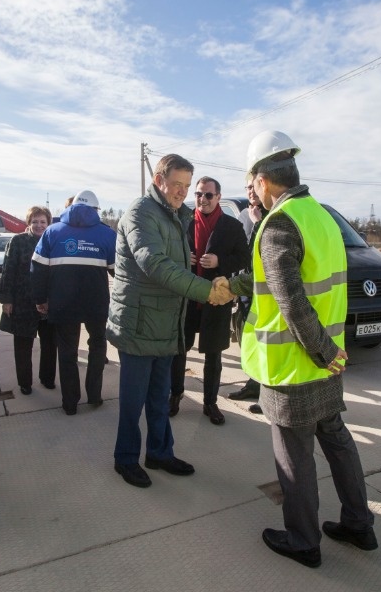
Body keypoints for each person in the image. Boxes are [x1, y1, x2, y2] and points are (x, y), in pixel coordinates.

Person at [225, 130, 376, 567]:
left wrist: (322, 352)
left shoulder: (278, 226)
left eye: (252, 183)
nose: (251, 192)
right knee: (337, 439)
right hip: (326, 362)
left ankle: (303, 541)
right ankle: (359, 524)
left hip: (295, 364)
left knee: (295, 458)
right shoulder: (321, 216)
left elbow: (292, 303)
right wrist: (330, 354)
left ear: (265, 181)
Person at [106, 154, 234, 488]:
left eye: (186, 186)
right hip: (138, 322)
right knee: (133, 401)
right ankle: (126, 458)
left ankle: (160, 453)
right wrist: (205, 291)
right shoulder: (140, 213)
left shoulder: (177, 215)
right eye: (176, 184)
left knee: (160, 398)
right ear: (159, 179)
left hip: (166, 323)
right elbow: (156, 264)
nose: (181, 192)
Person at [169, 176, 248, 425]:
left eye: (208, 195)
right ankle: (175, 395)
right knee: (179, 351)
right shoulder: (183, 223)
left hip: (216, 301)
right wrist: (184, 258)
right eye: (199, 194)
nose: (202, 199)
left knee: (214, 356)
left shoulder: (232, 226)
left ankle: (210, 402)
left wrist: (219, 262)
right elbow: (167, 255)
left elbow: (244, 259)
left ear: (218, 197)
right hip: (187, 299)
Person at [31, 190, 116, 415]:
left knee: (67, 352)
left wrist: (40, 299)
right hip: (96, 304)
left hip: (62, 304)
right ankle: (94, 396)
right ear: (96, 210)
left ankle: (70, 403)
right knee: (98, 346)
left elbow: (37, 270)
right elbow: (119, 272)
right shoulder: (107, 235)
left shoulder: (52, 231)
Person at [0, 206, 57, 395]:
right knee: (23, 345)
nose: (39, 225)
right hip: (23, 302)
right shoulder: (18, 241)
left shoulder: (54, 241)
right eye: (35, 222)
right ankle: (25, 382)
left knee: (49, 344)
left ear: (49, 223)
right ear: (28, 223)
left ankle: (47, 379)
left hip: (48, 303)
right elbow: (8, 270)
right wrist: (7, 300)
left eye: (43, 222)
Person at [228, 173, 268, 412]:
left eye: (254, 187)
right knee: (247, 339)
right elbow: (240, 251)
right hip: (244, 286)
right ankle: (253, 383)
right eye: (247, 187)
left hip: (263, 289)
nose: (251, 192)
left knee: (266, 342)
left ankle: (267, 395)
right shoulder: (243, 215)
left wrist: (258, 222)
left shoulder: (271, 214)